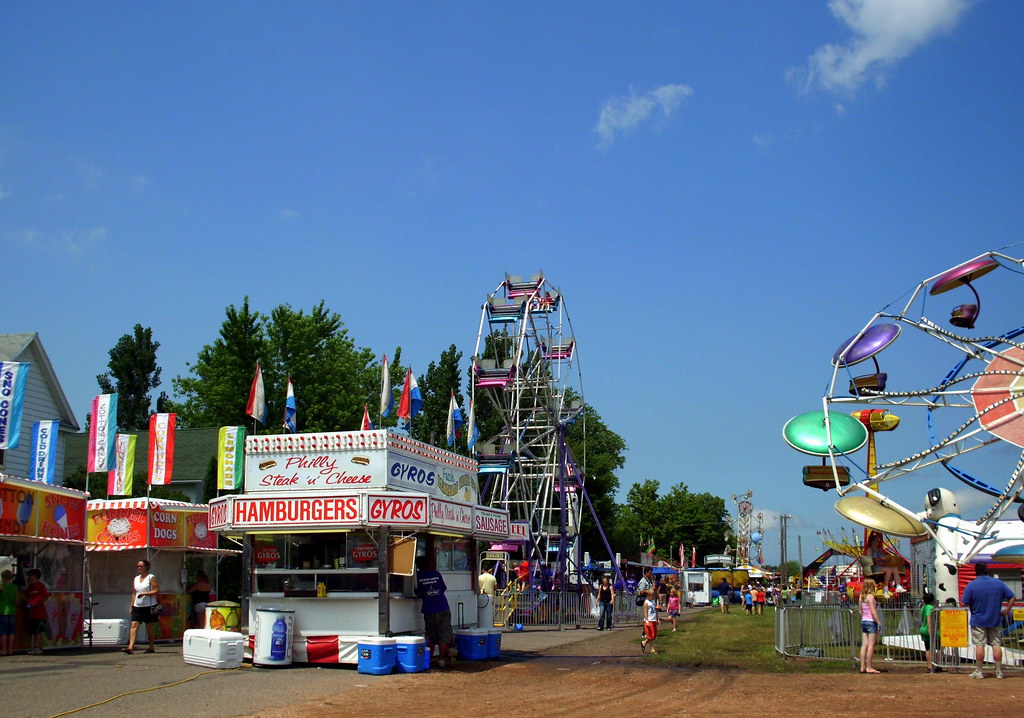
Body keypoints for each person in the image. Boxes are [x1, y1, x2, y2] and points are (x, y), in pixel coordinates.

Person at [961, 562, 1016, 679]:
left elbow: (964, 602)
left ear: (976, 571)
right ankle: (998, 671)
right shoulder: (998, 583)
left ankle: (979, 671)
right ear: (987, 570)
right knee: (996, 644)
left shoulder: (971, 585)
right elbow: (1012, 596)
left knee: (979, 645)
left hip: (978, 620)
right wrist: (1006, 611)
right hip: (995, 618)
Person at [415, 555, 453, 668]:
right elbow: (443, 589)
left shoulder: (417, 577)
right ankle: (443, 657)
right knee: (444, 634)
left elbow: (418, 592)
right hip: (444, 606)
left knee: (432, 635)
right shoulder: (436, 574)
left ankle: (434, 657)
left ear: (417, 566)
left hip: (430, 609)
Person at [124, 559, 159, 654]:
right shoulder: (136, 578)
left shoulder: (151, 577)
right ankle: (130, 647)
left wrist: (146, 594)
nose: (139, 568)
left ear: (146, 567)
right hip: (137, 605)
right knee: (134, 624)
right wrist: (131, 606)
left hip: (149, 605)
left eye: (141, 566)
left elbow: (156, 590)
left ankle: (151, 646)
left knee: (149, 626)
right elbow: (134, 593)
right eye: (138, 566)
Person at [859, 577, 881, 674]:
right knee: (871, 645)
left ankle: (862, 666)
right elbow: (873, 611)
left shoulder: (861, 596)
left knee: (864, 645)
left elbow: (860, 611)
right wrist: (879, 622)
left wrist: (864, 617)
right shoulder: (871, 597)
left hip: (864, 620)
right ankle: (869, 667)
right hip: (871, 621)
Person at [24, 568, 49, 655]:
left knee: (37, 631)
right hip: (31, 612)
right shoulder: (30, 587)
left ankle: (37, 647)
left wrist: (38, 603)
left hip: (39, 613)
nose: (29, 577)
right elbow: (28, 598)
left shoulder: (40, 586)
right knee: (32, 631)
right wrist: (28, 602)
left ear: (35, 576)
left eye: (30, 575)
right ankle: (32, 647)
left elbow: (46, 596)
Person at [919, 591, 938, 672]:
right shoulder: (930, 607)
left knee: (928, 648)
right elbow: (928, 617)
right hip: (928, 628)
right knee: (938, 647)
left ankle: (929, 665)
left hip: (923, 628)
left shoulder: (923, 607)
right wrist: (930, 629)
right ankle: (935, 664)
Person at [0, 570, 17, 656]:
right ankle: (10, 650)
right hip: (12, 611)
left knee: (3, 632)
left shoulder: (1, 587)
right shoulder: (15, 587)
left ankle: (4, 650)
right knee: (11, 632)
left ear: (4, 578)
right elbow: (16, 600)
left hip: (3, 611)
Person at [640, 589, 661, 654]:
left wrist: (657, 619)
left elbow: (656, 611)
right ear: (648, 596)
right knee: (650, 635)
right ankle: (652, 649)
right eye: (652, 595)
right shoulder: (646, 603)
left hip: (654, 619)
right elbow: (645, 612)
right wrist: (646, 621)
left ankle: (644, 642)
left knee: (654, 635)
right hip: (649, 620)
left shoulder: (653, 602)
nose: (653, 597)